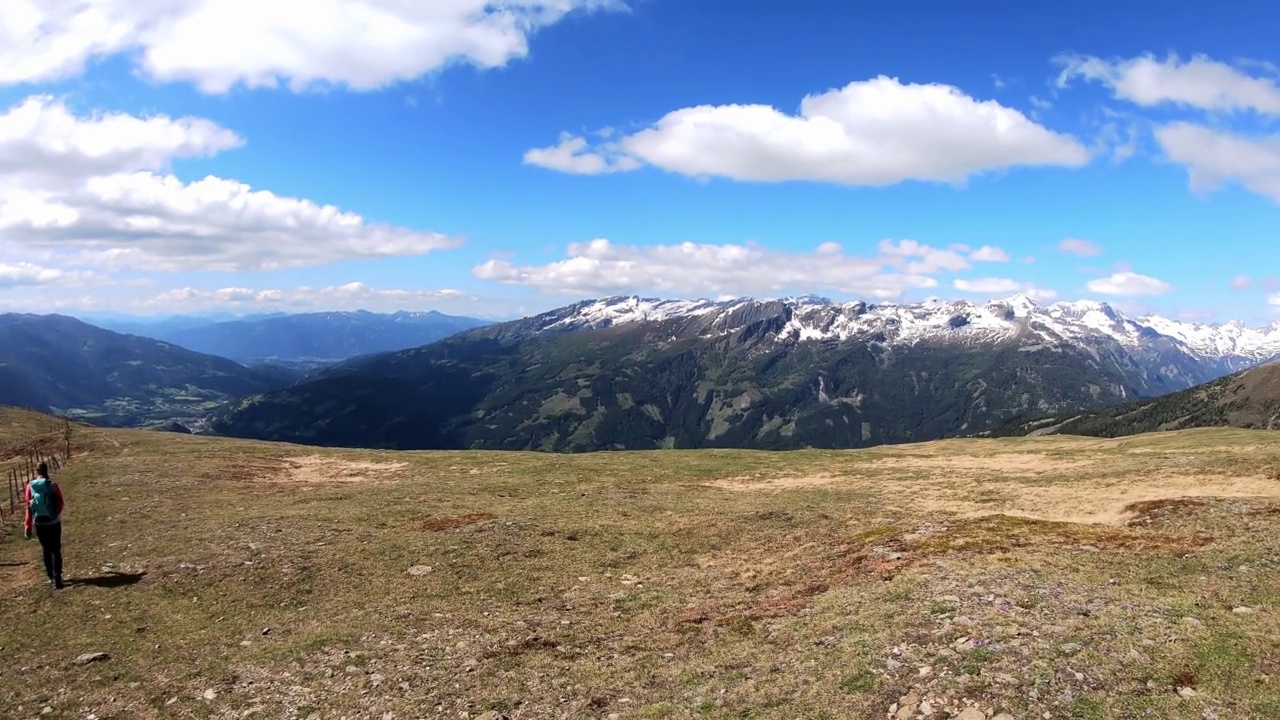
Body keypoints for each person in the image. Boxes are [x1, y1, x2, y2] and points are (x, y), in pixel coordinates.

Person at [24, 462, 65, 589]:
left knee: (46, 550)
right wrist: (55, 513)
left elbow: (28, 507)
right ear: (46, 471)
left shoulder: (30, 487)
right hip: (53, 522)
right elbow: (61, 502)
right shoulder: (52, 485)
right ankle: (57, 578)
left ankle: (50, 577)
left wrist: (28, 526)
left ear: (36, 472)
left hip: (39, 523)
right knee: (56, 550)